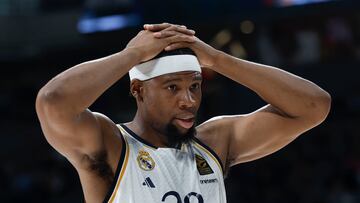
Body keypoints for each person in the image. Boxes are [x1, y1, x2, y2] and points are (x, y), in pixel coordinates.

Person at [35, 23, 331, 203]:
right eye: (172, 88)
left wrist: (216, 59)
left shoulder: (214, 141)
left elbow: (314, 106)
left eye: (195, 86)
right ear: (138, 89)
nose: (188, 100)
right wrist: (132, 55)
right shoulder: (111, 145)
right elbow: (52, 102)